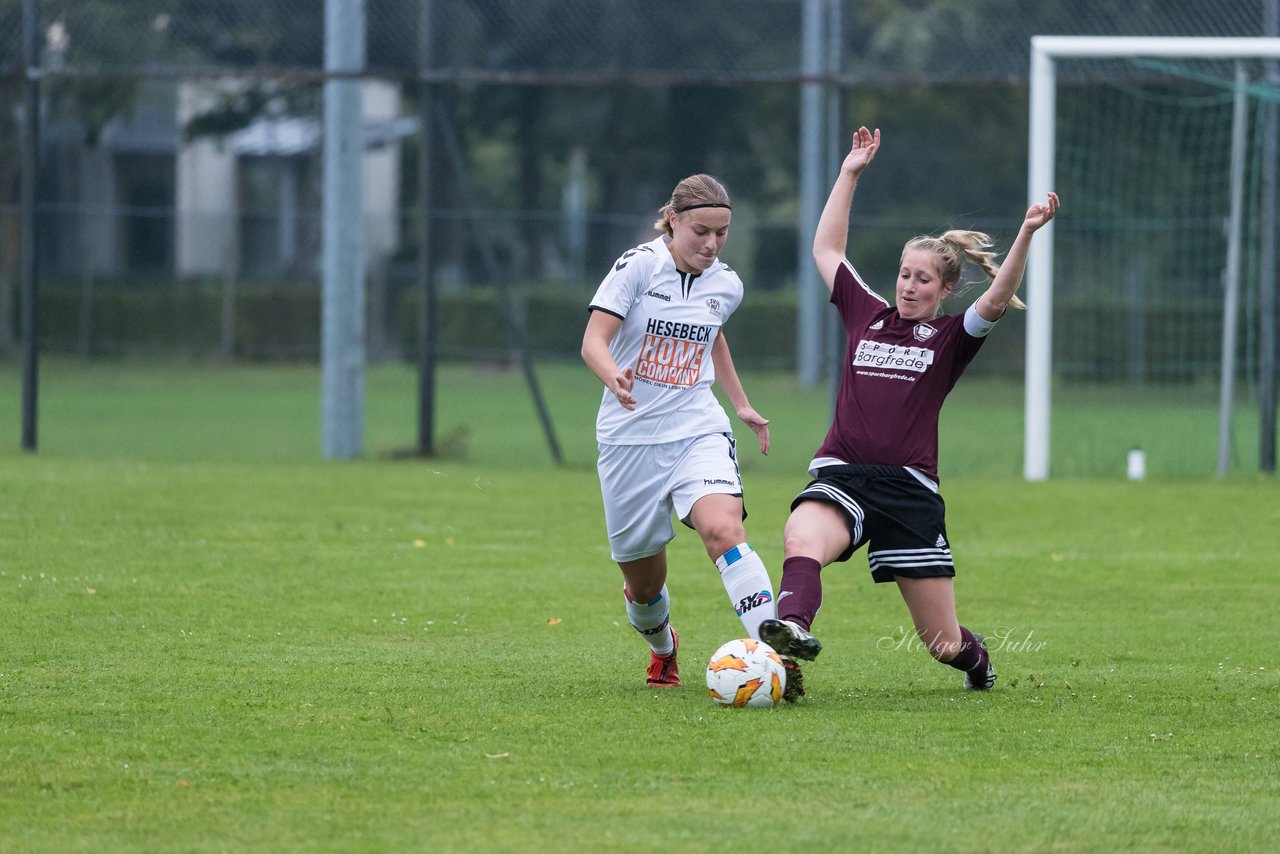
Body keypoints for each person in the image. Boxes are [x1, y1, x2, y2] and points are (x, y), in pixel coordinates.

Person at [759, 126, 1060, 692]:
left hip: (908, 491)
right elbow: (827, 250)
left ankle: (979, 664)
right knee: (801, 537)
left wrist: (1025, 232)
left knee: (942, 645)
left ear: (944, 289)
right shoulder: (865, 314)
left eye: (923, 279)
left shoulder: (950, 338)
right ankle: (790, 635)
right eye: (904, 274)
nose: (908, 285)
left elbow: (995, 299)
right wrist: (849, 173)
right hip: (842, 474)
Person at [582, 174, 799, 697]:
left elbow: (712, 334)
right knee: (643, 587)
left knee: (724, 531)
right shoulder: (638, 267)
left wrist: (740, 403)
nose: (711, 244)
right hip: (628, 440)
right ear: (673, 220)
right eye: (701, 230)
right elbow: (593, 340)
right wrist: (613, 374)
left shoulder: (726, 283)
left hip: (696, 427)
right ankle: (662, 647)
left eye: (721, 233)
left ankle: (777, 659)